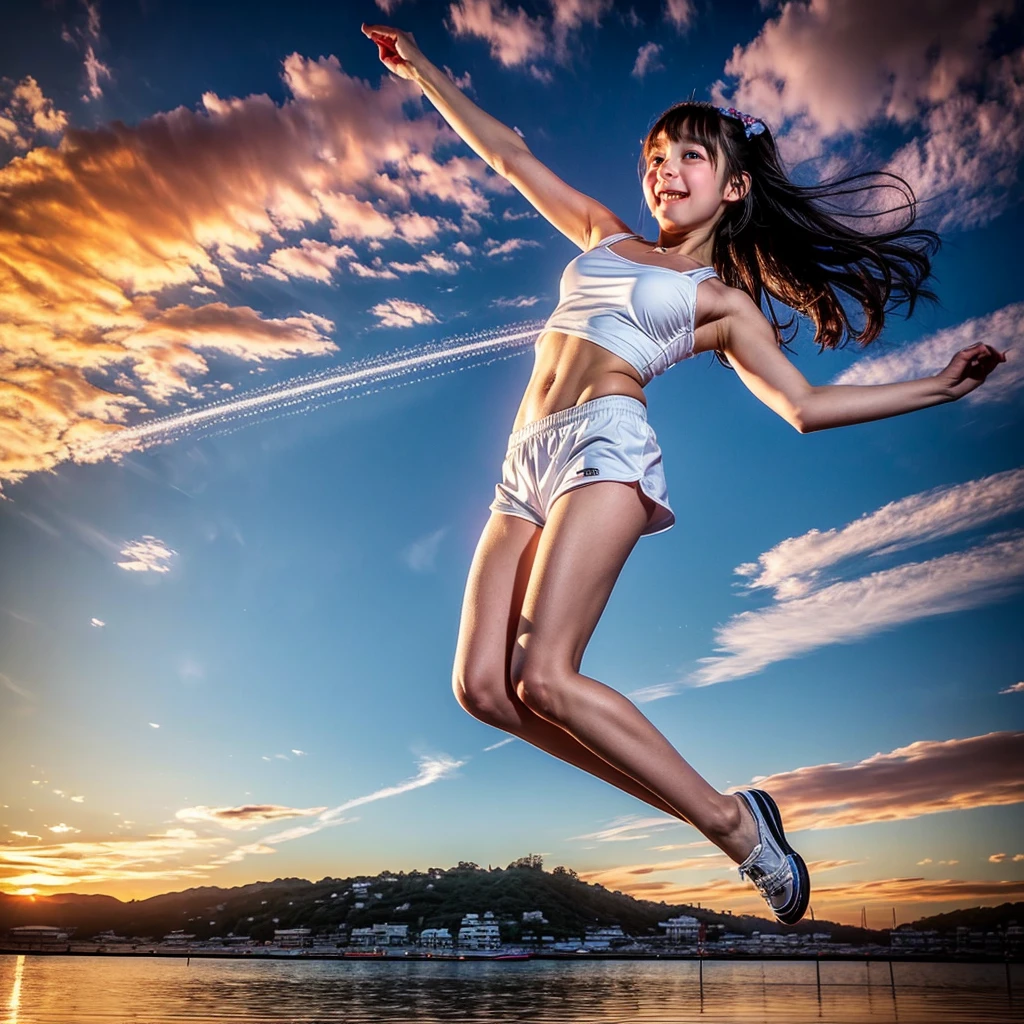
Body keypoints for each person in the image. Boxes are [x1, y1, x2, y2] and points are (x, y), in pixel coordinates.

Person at [362, 23, 1006, 926]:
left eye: (690, 158)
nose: (665, 170)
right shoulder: (603, 235)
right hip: (522, 467)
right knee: (481, 688)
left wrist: (939, 388)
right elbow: (509, 156)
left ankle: (732, 828)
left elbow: (804, 407)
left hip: (604, 448)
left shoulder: (721, 302)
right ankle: (727, 816)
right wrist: (421, 69)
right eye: (656, 156)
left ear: (734, 185)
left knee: (546, 675)